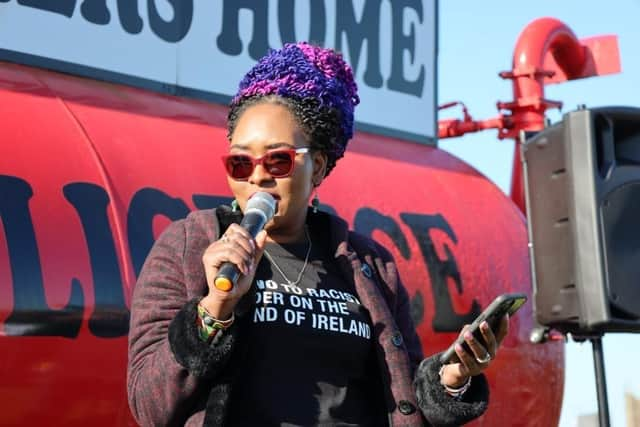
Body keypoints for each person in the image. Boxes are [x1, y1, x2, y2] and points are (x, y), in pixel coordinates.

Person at [127, 42, 509, 427]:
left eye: (278, 159)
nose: (258, 175)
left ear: (319, 167)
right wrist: (215, 309)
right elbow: (150, 405)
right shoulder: (190, 247)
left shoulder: (370, 265)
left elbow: (404, 403)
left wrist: (453, 379)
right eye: (241, 162)